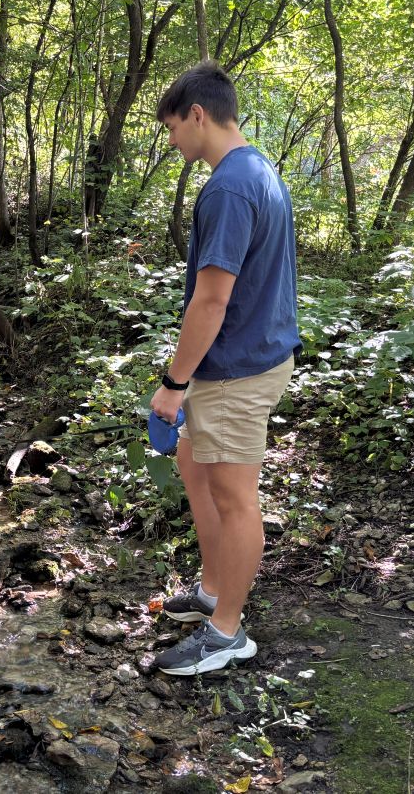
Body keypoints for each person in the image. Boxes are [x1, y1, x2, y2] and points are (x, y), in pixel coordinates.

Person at [148, 62, 302, 676]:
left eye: (171, 128)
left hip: (237, 367)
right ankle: (213, 589)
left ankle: (226, 633)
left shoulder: (230, 189)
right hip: (248, 356)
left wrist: (173, 384)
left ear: (197, 115)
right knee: (194, 465)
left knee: (235, 498)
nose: (171, 141)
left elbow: (212, 300)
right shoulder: (255, 169)